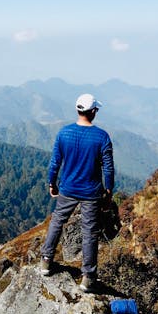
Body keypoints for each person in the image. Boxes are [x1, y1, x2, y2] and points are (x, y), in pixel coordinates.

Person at [40, 93, 115, 292]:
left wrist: (52, 182)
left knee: (57, 221)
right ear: (93, 112)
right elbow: (108, 168)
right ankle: (88, 278)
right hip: (91, 191)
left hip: (68, 187)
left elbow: (55, 161)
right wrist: (108, 192)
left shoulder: (64, 133)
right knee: (89, 231)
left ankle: (46, 261)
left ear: (78, 110)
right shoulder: (101, 137)